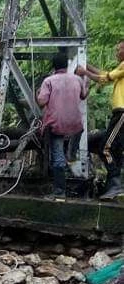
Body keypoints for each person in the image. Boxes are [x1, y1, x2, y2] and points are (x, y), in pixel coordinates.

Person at [76, 40, 124, 200]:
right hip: (118, 114)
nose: (117, 52)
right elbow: (105, 75)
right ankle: (112, 185)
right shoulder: (121, 67)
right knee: (111, 148)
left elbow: (102, 79)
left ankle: (116, 183)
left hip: (122, 114)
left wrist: (85, 72)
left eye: (120, 49)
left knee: (106, 148)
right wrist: (86, 65)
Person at [37, 53, 89, 199]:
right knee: (70, 153)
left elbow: (41, 102)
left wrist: (37, 95)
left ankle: (59, 191)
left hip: (56, 125)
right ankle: (72, 158)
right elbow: (84, 95)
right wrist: (87, 81)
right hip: (75, 125)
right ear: (66, 65)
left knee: (58, 157)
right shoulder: (77, 79)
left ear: (53, 66)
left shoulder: (49, 81)